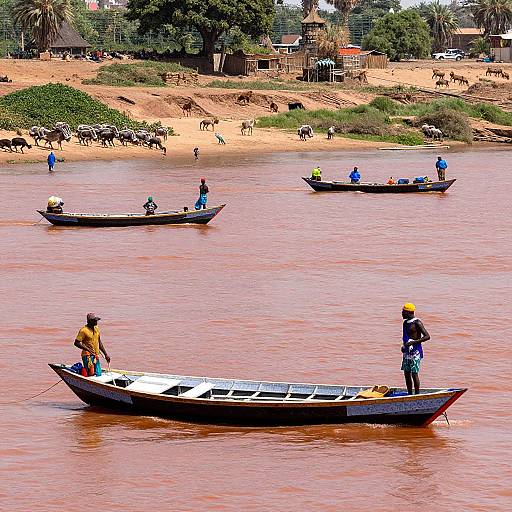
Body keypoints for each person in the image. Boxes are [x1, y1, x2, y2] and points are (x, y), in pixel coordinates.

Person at [401, 303, 430, 395]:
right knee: (406, 373)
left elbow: (427, 336)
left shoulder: (417, 322)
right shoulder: (405, 323)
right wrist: (404, 346)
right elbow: (406, 338)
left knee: (414, 373)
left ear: (408, 312)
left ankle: (417, 394)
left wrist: (413, 342)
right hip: (407, 352)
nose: (402, 313)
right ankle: (410, 394)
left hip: (415, 352)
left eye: (403, 312)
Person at [74, 313, 110, 377]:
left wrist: (106, 354)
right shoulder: (83, 330)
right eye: (94, 320)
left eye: (96, 320)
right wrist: (87, 349)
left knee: (98, 374)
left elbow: (99, 342)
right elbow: (76, 343)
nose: (96, 322)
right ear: (90, 322)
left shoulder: (97, 328)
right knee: (91, 374)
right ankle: (83, 372)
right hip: (87, 356)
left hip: (95, 356)